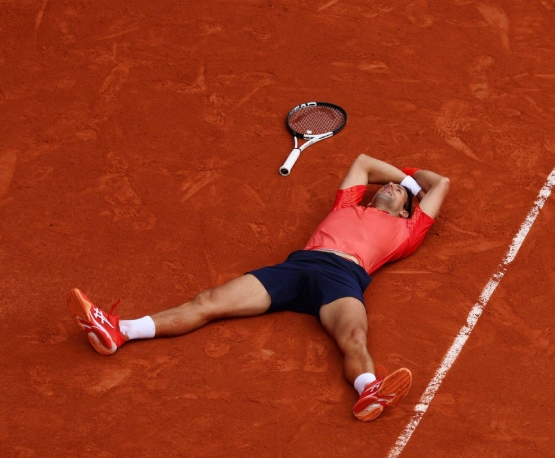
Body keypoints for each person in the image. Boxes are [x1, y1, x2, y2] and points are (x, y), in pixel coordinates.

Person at [68, 154, 450, 422]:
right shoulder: (348, 204)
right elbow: (365, 162)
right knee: (209, 301)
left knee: (354, 335)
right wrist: (407, 182)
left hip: (343, 278)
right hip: (297, 266)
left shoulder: (408, 230)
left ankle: (368, 391)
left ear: (406, 212)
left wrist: (413, 186)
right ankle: (121, 331)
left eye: (402, 193)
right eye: (391, 186)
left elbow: (442, 183)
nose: (394, 188)